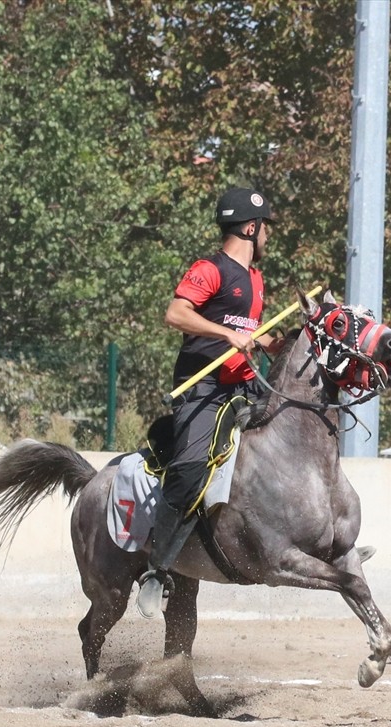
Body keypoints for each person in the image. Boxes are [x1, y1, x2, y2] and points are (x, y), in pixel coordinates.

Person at [136, 187, 285, 619]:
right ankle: (158, 570)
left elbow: (248, 332)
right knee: (190, 470)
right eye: (266, 229)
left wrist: (273, 343)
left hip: (245, 388)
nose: (268, 237)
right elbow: (176, 314)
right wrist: (226, 334)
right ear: (251, 227)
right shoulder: (210, 269)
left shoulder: (255, 280)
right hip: (203, 391)